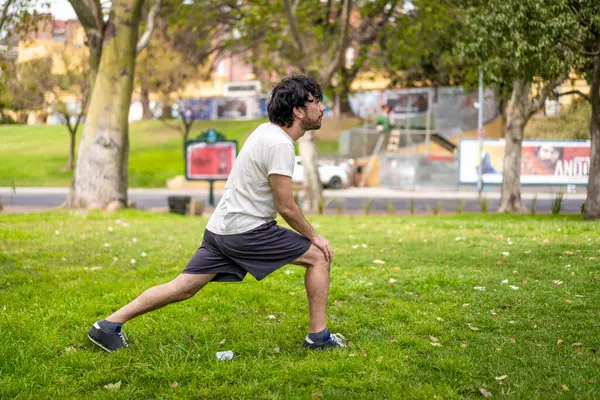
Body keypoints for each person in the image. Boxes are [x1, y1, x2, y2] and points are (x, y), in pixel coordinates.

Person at [88, 75, 346, 352]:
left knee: (183, 287)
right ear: (297, 110)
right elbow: (285, 206)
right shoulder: (280, 144)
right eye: (316, 101)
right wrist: (315, 236)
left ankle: (107, 326)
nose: (322, 108)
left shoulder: (264, 132)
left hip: (220, 230)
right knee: (318, 257)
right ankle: (318, 338)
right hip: (246, 231)